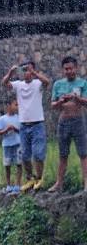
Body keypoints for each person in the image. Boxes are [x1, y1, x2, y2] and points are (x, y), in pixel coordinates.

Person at [2, 60, 51, 192]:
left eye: (28, 70)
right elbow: (4, 83)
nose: (26, 73)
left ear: (33, 71)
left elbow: (47, 82)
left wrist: (34, 72)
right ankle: (29, 178)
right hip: (24, 125)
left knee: (38, 154)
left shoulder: (37, 83)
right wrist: (11, 72)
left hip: (37, 124)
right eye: (24, 70)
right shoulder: (18, 85)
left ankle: (39, 178)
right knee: (24, 155)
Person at [49, 55, 87, 192]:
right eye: (66, 69)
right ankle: (59, 183)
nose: (69, 71)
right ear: (62, 70)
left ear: (76, 68)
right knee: (63, 154)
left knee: (83, 153)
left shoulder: (83, 83)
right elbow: (52, 105)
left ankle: (85, 183)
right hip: (63, 121)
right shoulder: (58, 84)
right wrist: (60, 102)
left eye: (71, 68)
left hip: (78, 120)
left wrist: (77, 99)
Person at [0, 96, 22, 193]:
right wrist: (6, 129)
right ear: (9, 106)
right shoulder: (2, 119)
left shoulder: (19, 118)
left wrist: (15, 129)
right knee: (7, 164)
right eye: (15, 105)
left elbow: (22, 131)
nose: (17, 107)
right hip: (7, 145)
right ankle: (8, 184)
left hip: (18, 144)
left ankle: (18, 184)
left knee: (19, 163)